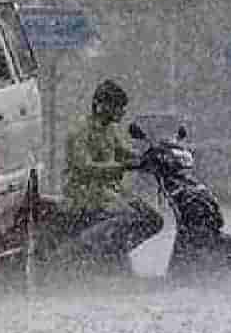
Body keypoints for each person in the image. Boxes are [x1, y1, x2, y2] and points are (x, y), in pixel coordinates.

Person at [60, 79, 163, 261]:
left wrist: (150, 157)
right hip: (84, 193)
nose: (122, 112)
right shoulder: (80, 130)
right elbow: (86, 168)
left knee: (153, 219)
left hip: (110, 192)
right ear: (102, 106)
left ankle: (114, 252)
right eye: (118, 106)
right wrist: (122, 167)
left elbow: (123, 152)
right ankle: (81, 249)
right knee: (129, 215)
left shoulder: (110, 130)